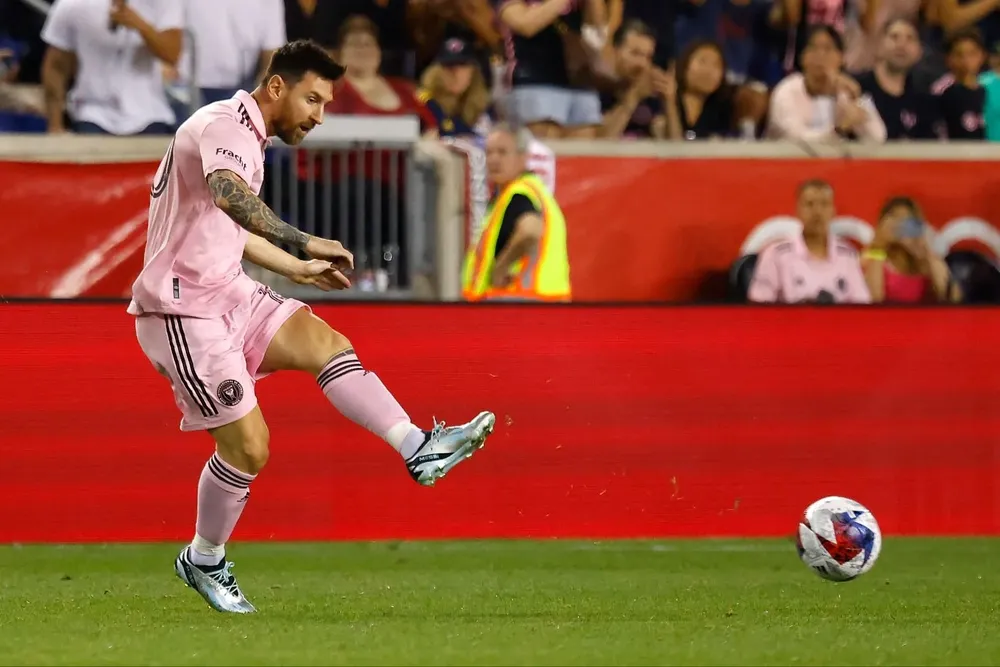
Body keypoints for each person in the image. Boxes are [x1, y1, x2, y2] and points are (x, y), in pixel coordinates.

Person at [128, 40, 495, 614]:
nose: (319, 116)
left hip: (229, 290)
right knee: (250, 449)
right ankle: (204, 558)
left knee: (325, 342)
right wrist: (301, 239)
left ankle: (417, 447)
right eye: (314, 100)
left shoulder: (249, 136)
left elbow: (226, 224)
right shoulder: (224, 124)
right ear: (277, 87)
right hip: (183, 311)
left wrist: (297, 269)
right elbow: (229, 196)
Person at [462, 123, 571, 301]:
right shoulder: (533, 191)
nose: (493, 159)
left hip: (519, 301)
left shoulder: (519, 193)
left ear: (523, 157)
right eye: (489, 153)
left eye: (502, 152)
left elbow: (530, 229)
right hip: (543, 300)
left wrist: (501, 268)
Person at [747, 179, 871, 304]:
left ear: (833, 211)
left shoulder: (848, 255)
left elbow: (862, 304)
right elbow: (760, 304)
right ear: (797, 210)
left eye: (824, 204)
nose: (817, 212)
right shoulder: (776, 253)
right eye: (809, 204)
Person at [766, 25, 887, 142]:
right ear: (802, 57)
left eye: (828, 49)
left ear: (841, 58)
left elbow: (878, 137)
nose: (820, 55)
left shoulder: (844, 91)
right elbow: (798, 138)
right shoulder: (786, 91)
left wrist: (856, 98)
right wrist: (837, 131)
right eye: (813, 48)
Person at [861, 196, 961, 302]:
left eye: (906, 221)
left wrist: (926, 250)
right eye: (895, 218)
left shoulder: (923, 258)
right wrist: (880, 244)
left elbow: (951, 296)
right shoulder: (873, 255)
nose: (899, 226)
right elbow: (875, 299)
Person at [855, 17, 939, 139]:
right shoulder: (857, 88)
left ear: (919, 51)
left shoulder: (924, 99)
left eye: (910, 39)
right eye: (894, 37)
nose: (901, 45)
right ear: (879, 45)